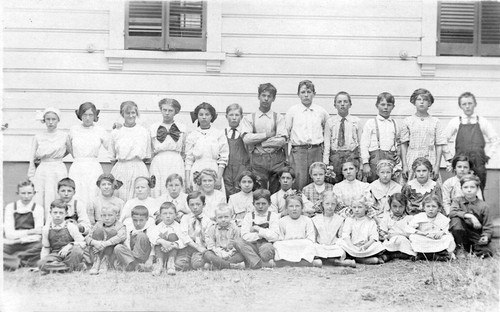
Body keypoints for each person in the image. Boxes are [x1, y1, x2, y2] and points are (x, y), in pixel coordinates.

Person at [444, 92, 499, 194]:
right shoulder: (455, 121)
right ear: (460, 106)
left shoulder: (482, 121)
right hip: (462, 164)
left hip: (478, 163)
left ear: (475, 104)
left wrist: (487, 156)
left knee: (478, 191)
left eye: (470, 103)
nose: (467, 106)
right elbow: (443, 140)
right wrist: (450, 158)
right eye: (464, 104)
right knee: (460, 191)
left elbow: (495, 140)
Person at [241, 83, 287, 194]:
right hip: (258, 159)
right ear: (258, 96)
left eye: (269, 96)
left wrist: (260, 143)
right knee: (259, 191)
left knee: (276, 191)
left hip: (277, 159)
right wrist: (266, 135)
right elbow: (246, 139)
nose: (266, 99)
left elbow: (282, 140)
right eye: (263, 95)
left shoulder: (279, 117)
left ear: (273, 99)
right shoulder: (249, 118)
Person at [28, 107, 71, 220]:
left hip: (58, 168)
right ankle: (42, 223)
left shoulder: (64, 136)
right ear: (44, 120)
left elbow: (71, 151)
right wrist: (31, 176)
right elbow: (32, 157)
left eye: (53, 119)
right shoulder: (38, 136)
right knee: (42, 195)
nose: (51, 122)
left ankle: (58, 222)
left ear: (58, 120)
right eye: (48, 119)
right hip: (43, 170)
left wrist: (58, 156)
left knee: (57, 194)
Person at [286, 80, 329, 190]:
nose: (306, 95)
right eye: (303, 92)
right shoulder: (292, 111)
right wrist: (288, 156)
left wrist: (325, 158)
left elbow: (327, 134)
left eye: (309, 92)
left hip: (316, 150)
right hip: (299, 151)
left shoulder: (321, 112)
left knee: (317, 179)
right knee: (299, 181)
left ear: (314, 94)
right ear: (298, 94)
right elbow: (286, 134)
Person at [69, 102, 109, 209]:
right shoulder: (73, 130)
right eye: (84, 115)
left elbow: (111, 146)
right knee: (78, 193)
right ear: (80, 115)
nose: (87, 118)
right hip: (77, 166)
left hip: (93, 166)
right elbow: (67, 146)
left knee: (93, 193)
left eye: (90, 115)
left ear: (95, 116)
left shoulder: (100, 130)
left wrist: (117, 130)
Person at [400, 88, 446, 182]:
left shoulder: (435, 122)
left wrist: (437, 166)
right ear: (414, 102)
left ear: (429, 103)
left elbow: (439, 145)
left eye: (425, 100)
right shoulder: (408, 121)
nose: (422, 102)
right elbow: (403, 145)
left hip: (430, 157)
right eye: (419, 99)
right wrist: (404, 165)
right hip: (412, 157)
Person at [185, 102, 229, 198]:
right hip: (197, 170)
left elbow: (223, 158)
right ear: (197, 116)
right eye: (201, 115)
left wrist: (218, 178)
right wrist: (188, 181)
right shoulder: (192, 135)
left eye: (207, 114)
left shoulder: (218, 134)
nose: (204, 117)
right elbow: (188, 160)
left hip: (213, 170)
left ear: (212, 116)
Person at [110, 101, 151, 202]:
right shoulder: (116, 132)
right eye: (127, 113)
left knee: (138, 196)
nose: (131, 115)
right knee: (120, 196)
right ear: (122, 114)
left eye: (133, 112)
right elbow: (112, 157)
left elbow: (147, 155)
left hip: (138, 167)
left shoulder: (143, 131)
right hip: (121, 168)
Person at [449, 174, 494, 258]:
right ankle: (460, 248)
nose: (469, 190)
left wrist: (486, 236)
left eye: (472, 187)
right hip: (461, 234)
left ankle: (473, 252)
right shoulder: (457, 201)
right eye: (465, 187)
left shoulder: (483, 206)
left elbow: (488, 225)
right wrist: (469, 216)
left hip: (475, 235)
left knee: (486, 252)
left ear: (477, 189)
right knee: (455, 220)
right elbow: (452, 212)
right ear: (461, 189)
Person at [149, 98, 186, 197]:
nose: (167, 113)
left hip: (176, 160)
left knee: (175, 185)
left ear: (175, 112)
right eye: (164, 110)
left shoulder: (182, 128)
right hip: (159, 161)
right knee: (158, 187)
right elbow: (150, 148)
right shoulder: (153, 127)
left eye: (170, 110)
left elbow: (184, 149)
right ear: (161, 110)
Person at [360, 92, 401, 183]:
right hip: (375, 159)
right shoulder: (370, 123)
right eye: (382, 104)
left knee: (391, 183)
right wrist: (365, 163)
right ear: (377, 105)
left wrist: (398, 154)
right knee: (374, 184)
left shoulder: (395, 123)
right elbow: (364, 144)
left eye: (389, 105)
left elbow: (398, 142)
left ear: (393, 107)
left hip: (390, 159)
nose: (385, 107)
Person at [3, 180, 44, 271]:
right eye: (23, 193)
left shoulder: (38, 208)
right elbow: (9, 234)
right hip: (13, 242)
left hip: (31, 244)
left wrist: (21, 236)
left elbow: (38, 234)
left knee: (42, 246)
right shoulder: (10, 207)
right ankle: (22, 262)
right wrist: (30, 232)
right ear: (18, 193)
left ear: (34, 193)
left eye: (29, 193)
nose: (26, 196)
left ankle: (12, 261)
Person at [234, 189, 279, 269]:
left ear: (269, 204)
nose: (260, 206)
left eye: (264, 203)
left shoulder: (273, 216)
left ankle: (251, 261)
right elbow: (245, 236)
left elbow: (275, 236)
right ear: (253, 204)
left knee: (267, 248)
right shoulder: (249, 216)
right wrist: (263, 235)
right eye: (257, 204)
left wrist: (258, 229)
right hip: (252, 246)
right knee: (237, 241)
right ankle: (259, 263)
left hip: (265, 245)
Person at [273, 194, 322, 267]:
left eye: (297, 206)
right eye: (291, 206)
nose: (294, 209)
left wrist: (302, 242)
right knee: (277, 245)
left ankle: (297, 262)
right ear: (286, 208)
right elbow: (280, 238)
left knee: (310, 245)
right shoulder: (282, 221)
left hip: (302, 244)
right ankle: (300, 263)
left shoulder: (307, 220)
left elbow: (311, 238)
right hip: (287, 245)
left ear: (302, 207)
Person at [39, 199, 86, 273]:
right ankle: (71, 267)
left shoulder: (71, 226)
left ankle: (57, 267)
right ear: (50, 213)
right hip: (56, 255)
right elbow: (46, 248)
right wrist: (43, 261)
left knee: (77, 250)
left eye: (61, 213)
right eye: (55, 212)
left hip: (70, 254)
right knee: (41, 264)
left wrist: (69, 245)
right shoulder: (46, 229)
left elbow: (83, 242)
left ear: (66, 214)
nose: (58, 215)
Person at [324, 91, 361, 183]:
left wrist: (362, 163)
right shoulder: (330, 122)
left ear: (350, 104)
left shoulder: (356, 121)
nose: (342, 104)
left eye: (345, 102)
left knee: (351, 182)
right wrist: (326, 163)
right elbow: (327, 144)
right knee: (335, 182)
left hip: (351, 155)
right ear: (335, 105)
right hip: (335, 157)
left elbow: (361, 144)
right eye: (339, 102)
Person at [312, 191, 356, 267]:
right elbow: (314, 237)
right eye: (327, 204)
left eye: (333, 204)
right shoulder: (315, 219)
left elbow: (340, 236)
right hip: (320, 246)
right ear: (322, 204)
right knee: (313, 249)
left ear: (336, 205)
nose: (330, 206)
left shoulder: (340, 219)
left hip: (334, 246)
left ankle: (326, 261)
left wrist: (337, 244)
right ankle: (337, 262)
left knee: (340, 251)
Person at [338, 196, 387, 265]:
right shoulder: (349, 219)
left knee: (377, 245)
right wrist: (352, 246)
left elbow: (373, 236)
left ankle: (359, 258)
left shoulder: (370, 220)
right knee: (340, 242)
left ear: (366, 208)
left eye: (360, 207)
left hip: (365, 246)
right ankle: (359, 258)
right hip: (352, 245)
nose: (356, 210)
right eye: (354, 207)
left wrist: (366, 245)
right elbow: (345, 235)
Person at [408, 195, 456, 261]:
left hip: (436, 238)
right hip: (424, 237)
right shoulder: (419, 217)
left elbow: (446, 229)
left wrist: (441, 233)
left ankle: (439, 253)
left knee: (449, 238)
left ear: (439, 208)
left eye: (434, 206)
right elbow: (409, 228)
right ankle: (430, 255)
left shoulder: (442, 218)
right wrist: (422, 233)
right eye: (428, 206)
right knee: (413, 237)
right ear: (424, 208)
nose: (431, 209)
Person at [149, 202, 188, 276]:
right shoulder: (158, 227)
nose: (168, 216)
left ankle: (171, 263)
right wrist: (162, 242)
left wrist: (172, 245)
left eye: (170, 213)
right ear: (160, 216)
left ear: (176, 215)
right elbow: (152, 237)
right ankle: (159, 263)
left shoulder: (178, 227)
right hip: (161, 251)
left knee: (172, 235)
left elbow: (184, 240)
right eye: (165, 214)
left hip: (174, 252)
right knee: (159, 238)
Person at [177, 192, 213, 271]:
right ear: (188, 205)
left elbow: (208, 237)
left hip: (201, 247)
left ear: (204, 205)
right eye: (192, 205)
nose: (195, 207)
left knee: (197, 264)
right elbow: (184, 235)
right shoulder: (185, 218)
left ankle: (198, 262)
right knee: (179, 265)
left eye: (198, 204)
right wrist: (196, 246)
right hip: (188, 247)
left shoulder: (208, 220)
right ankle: (189, 261)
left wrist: (205, 249)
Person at [85, 206, 126, 275]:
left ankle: (105, 262)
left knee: (113, 232)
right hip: (97, 252)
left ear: (117, 216)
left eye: (110, 215)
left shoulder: (120, 226)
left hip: (111, 254)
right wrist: (96, 243)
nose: (107, 218)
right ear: (101, 216)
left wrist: (104, 244)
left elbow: (121, 237)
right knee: (98, 231)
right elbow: (88, 237)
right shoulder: (98, 224)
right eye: (104, 215)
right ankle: (96, 262)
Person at [203, 204, 246, 270]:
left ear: (231, 217)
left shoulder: (235, 229)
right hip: (217, 254)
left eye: (226, 217)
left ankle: (215, 266)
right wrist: (219, 253)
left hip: (231, 254)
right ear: (215, 218)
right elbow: (211, 245)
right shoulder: (212, 229)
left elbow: (237, 245)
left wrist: (229, 254)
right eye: (220, 217)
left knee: (241, 256)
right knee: (207, 254)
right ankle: (231, 266)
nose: (223, 219)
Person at [114, 205, 155, 271]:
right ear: (131, 218)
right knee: (118, 248)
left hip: (145, 254)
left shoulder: (151, 224)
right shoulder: (127, 223)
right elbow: (126, 242)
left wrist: (150, 259)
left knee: (141, 235)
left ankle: (130, 264)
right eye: (135, 220)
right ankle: (137, 266)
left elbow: (153, 244)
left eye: (141, 220)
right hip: (131, 251)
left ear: (147, 219)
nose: (138, 223)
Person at [223, 103, 250, 198]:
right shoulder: (222, 133)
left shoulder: (245, 133)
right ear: (226, 116)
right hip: (227, 168)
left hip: (242, 167)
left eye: (237, 115)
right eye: (231, 115)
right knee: (228, 192)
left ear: (241, 117)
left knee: (241, 192)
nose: (234, 118)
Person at [378, 193, 416, 260]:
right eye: (394, 206)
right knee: (385, 245)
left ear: (405, 206)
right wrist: (386, 236)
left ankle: (394, 255)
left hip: (404, 240)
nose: (397, 209)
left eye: (401, 206)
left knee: (402, 240)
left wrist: (400, 234)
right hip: (391, 240)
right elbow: (382, 231)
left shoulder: (409, 219)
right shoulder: (387, 218)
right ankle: (391, 254)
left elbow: (412, 233)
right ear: (390, 206)